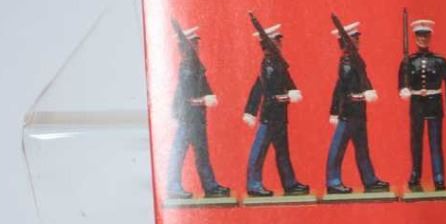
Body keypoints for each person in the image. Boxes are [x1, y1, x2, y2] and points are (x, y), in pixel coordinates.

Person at [242, 21, 308, 197]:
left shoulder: (278, 64)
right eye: (277, 41)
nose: (280, 44)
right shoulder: (269, 66)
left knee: (283, 152)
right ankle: (254, 184)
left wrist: (292, 90)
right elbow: (266, 92)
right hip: (270, 116)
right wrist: (287, 96)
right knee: (259, 151)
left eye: (279, 41)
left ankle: (290, 183)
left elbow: (285, 83)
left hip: (279, 116)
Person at [165, 25, 229, 199]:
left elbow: (204, 87)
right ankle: (174, 186)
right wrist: (204, 100)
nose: (197, 46)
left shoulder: (195, 67)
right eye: (193, 43)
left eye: (196, 43)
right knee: (179, 152)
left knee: (201, 154)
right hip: (188, 119)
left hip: (197, 119)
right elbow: (188, 99)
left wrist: (209, 95)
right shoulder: (187, 69)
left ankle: (210, 186)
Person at [324, 21, 388, 194]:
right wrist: (335, 111)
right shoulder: (347, 63)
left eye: (357, 38)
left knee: (362, 148)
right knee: (338, 148)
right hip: (349, 111)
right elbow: (342, 88)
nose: (357, 41)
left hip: (359, 111)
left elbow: (355, 81)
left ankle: (369, 179)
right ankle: (333, 181)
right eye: (354, 39)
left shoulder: (356, 60)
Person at [399, 18, 446, 192]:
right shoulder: (408, 61)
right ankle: (415, 174)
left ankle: (438, 176)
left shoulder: (440, 61)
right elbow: (401, 81)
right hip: (417, 104)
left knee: (435, 142)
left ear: (430, 37)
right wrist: (404, 89)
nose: (423, 39)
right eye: (419, 36)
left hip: (434, 104)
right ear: (415, 37)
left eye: (425, 36)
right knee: (416, 142)